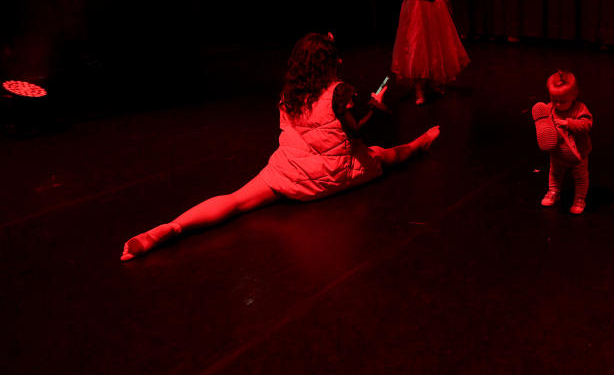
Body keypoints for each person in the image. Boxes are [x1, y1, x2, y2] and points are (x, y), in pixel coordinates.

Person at [120, 33, 440, 261]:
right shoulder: (340, 92)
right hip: (332, 175)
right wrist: (375, 107)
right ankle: (419, 143)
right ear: (328, 64)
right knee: (385, 154)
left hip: (289, 173)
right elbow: (356, 134)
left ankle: (171, 226)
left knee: (235, 201)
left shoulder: (291, 92)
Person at [531, 70, 593, 215]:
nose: (557, 105)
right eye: (554, 100)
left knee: (580, 178)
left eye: (562, 101)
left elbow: (587, 124)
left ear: (574, 95)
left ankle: (579, 199)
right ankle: (553, 192)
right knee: (555, 174)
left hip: (579, 153)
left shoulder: (580, 109)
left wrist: (568, 123)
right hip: (558, 151)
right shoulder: (550, 108)